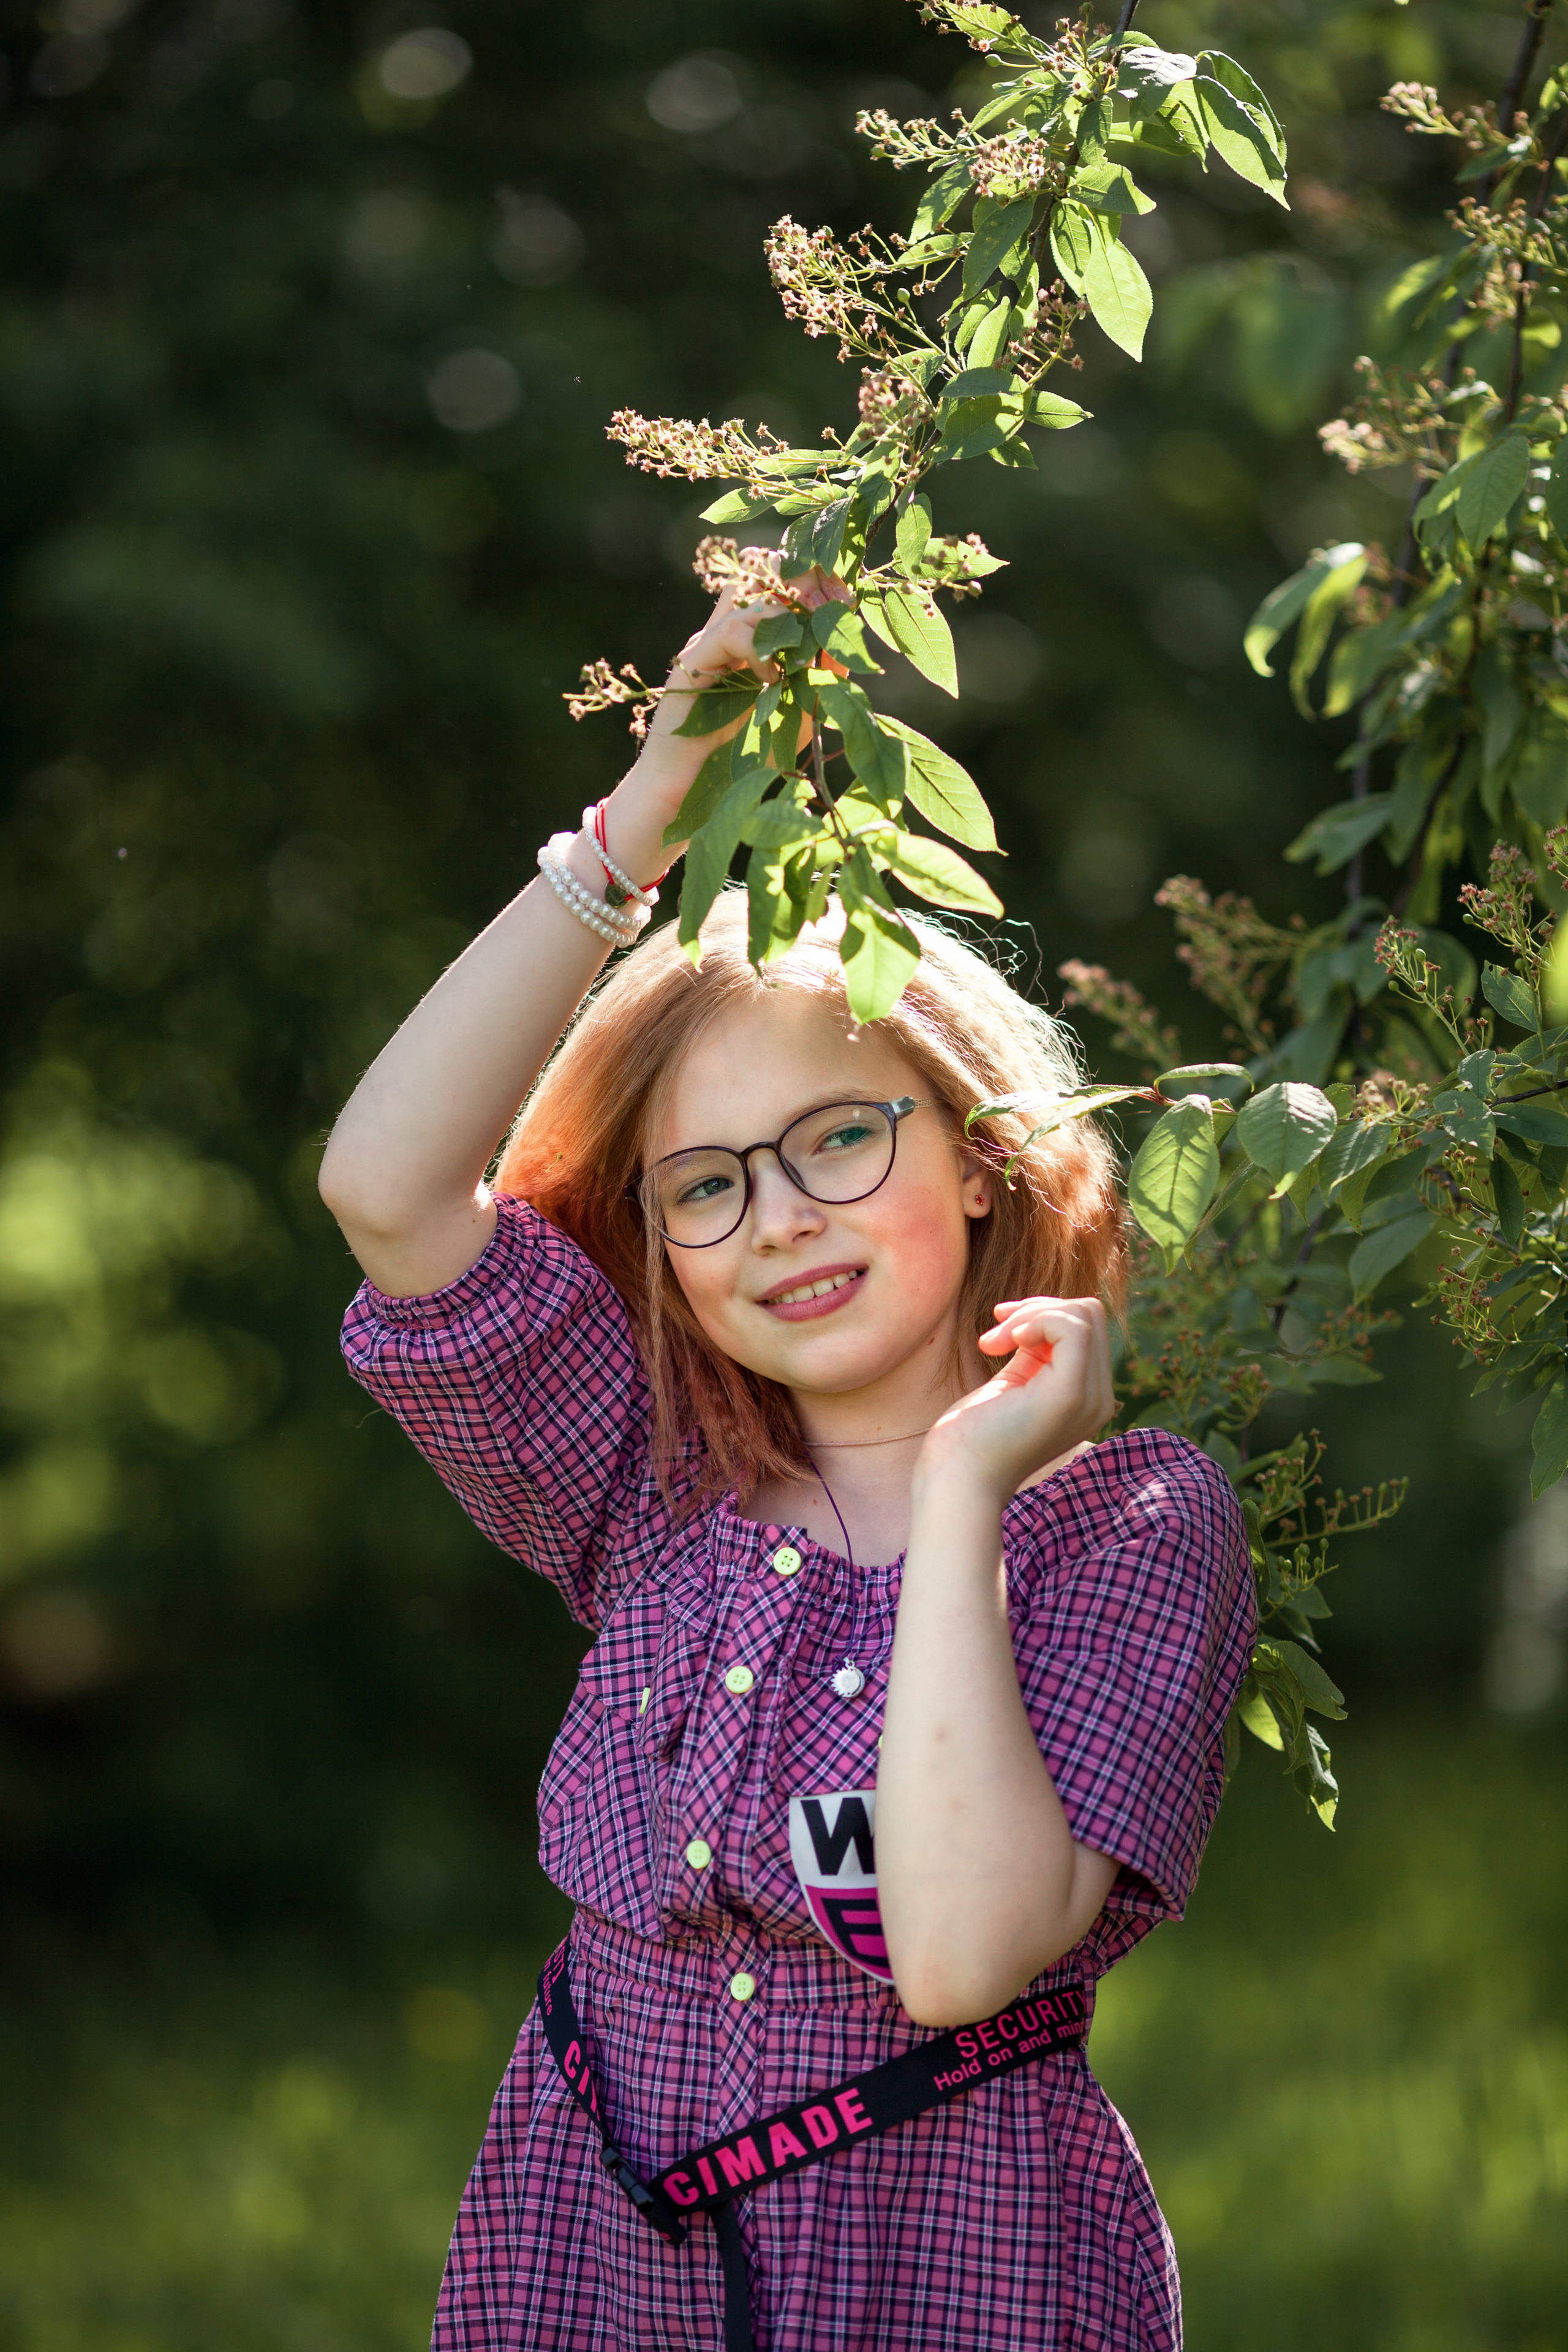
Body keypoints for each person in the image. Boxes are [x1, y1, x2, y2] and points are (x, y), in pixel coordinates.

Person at [318, 569, 1256, 2352]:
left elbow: (962, 1956)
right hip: (588, 2238)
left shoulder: (1126, 1522)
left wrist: (968, 1490)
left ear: (980, 1156)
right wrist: (643, 819)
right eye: (705, 1184)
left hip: (944, 2254)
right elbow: (384, 1188)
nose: (780, 1223)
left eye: (839, 1137)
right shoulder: (651, 1480)